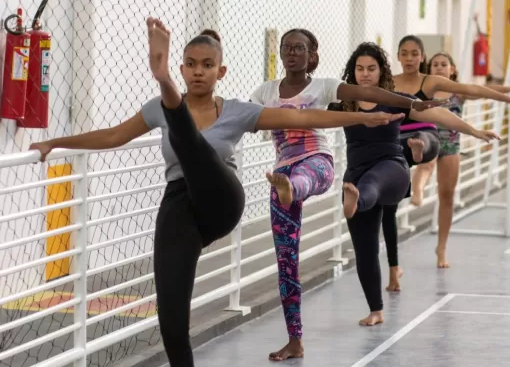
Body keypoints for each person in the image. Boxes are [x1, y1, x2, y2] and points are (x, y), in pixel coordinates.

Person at [28, 19, 408, 367]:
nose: (198, 71)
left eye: (206, 64)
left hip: (222, 199)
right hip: (180, 205)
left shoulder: (238, 111)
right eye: (190, 64)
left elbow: (303, 117)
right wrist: (53, 143)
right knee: (172, 317)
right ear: (182, 69)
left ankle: (166, 88)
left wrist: (362, 116)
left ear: (220, 71)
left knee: (195, 148)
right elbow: (112, 136)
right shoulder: (157, 111)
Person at [249, 29, 446, 362]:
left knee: (300, 180)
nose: (291, 53)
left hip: (316, 164)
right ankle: (295, 340)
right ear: (280, 54)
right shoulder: (265, 91)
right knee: (286, 262)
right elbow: (242, 117)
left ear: (313, 55)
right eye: (286, 48)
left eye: (299, 48)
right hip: (281, 171)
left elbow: (367, 90)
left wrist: (412, 103)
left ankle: (293, 189)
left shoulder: (323, 86)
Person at [329, 42, 499, 328]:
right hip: (355, 174)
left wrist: (474, 131)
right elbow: (309, 117)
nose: (365, 74)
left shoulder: (396, 99)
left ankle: (358, 200)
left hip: (393, 167)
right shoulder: (343, 103)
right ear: (352, 72)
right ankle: (376, 310)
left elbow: (438, 115)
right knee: (365, 247)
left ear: (382, 71)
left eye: (371, 69)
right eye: (360, 69)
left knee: (370, 184)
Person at [392, 35, 510, 268]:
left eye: (443, 64)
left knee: (447, 194)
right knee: (426, 161)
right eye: (435, 64)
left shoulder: (455, 91)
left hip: (452, 143)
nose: (438, 67)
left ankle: (442, 248)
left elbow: (481, 88)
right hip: (425, 138)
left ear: (452, 69)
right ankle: (417, 190)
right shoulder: (425, 87)